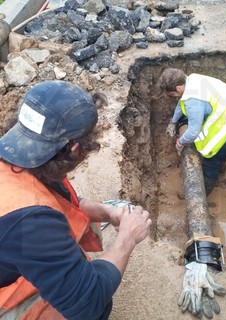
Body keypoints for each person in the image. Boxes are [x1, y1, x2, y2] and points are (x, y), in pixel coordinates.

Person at [0, 80, 152, 320]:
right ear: (76, 149)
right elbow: (88, 300)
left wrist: (105, 212)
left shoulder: (19, 157)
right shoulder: (31, 223)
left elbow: (58, 198)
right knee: (97, 305)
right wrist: (127, 237)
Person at [159, 68, 226, 195]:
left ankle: (202, 194)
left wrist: (180, 142)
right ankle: (220, 169)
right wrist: (173, 121)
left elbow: (193, 132)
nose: (173, 97)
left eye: (172, 94)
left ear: (178, 88)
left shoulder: (193, 103)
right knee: (219, 152)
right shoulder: (192, 80)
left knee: (211, 158)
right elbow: (182, 104)